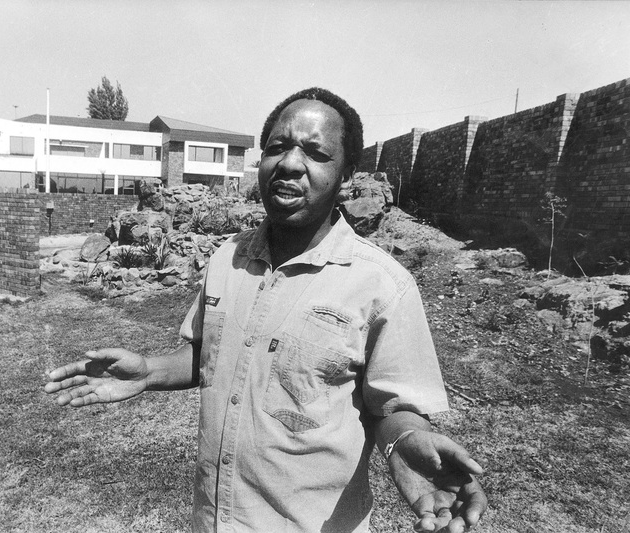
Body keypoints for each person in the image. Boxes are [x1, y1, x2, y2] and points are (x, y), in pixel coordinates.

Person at [45, 88, 487, 533]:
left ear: (346, 173)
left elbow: (394, 406)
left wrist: (407, 440)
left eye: (316, 153)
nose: (291, 163)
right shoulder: (227, 257)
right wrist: (149, 372)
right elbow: (213, 356)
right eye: (277, 147)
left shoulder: (382, 285)